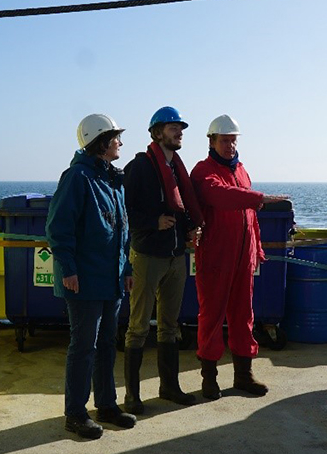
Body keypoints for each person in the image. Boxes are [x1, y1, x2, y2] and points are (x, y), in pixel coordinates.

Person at [46, 113, 138, 439]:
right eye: (116, 138)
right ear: (101, 141)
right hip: (84, 280)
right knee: (83, 347)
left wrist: (125, 269)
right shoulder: (77, 178)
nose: (121, 143)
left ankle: (107, 405)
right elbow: (59, 228)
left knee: (107, 346)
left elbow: (122, 230)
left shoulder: (111, 180)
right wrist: (68, 270)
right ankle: (75, 413)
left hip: (110, 280)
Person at [190, 114, 288, 399]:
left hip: (243, 257)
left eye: (233, 140)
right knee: (211, 315)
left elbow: (250, 218)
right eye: (225, 140)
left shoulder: (242, 170)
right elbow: (221, 195)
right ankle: (209, 377)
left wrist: (256, 248)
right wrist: (260, 198)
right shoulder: (203, 172)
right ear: (211, 141)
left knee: (244, 315)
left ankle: (243, 375)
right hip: (216, 258)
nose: (230, 145)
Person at [121, 106, 201, 414]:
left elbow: (183, 207)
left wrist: (191, 226)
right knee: (138, 326)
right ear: (157, 133)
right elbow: (125, 211)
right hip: (148, 256)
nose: (179, 132)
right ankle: (132, 396)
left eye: (180, 127)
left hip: (176, 256)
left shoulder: (177, 169)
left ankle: (169, 387)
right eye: (172, 127)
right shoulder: (140, 167)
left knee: (170, 326)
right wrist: (153, 222)